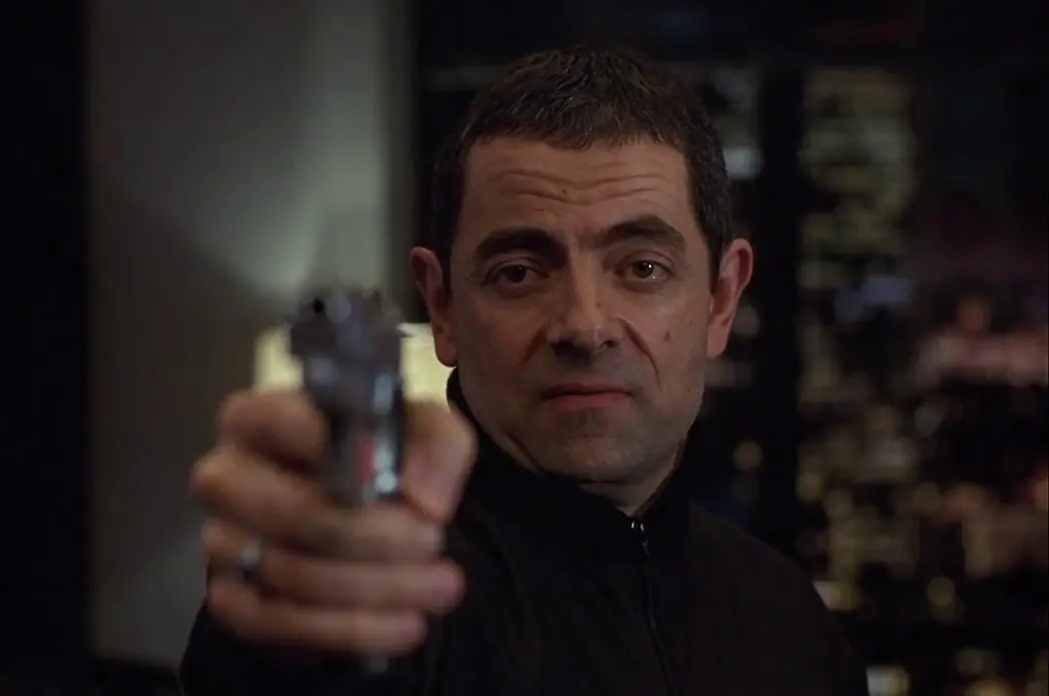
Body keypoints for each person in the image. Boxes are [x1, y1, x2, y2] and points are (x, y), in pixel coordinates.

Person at [181, 45, 869, 695]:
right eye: (518, 272)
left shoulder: (789, 621)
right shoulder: (389, 589)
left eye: (642, 268)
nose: (585, 326)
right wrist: (298, 614)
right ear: (442, 306)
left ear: (721, 300)